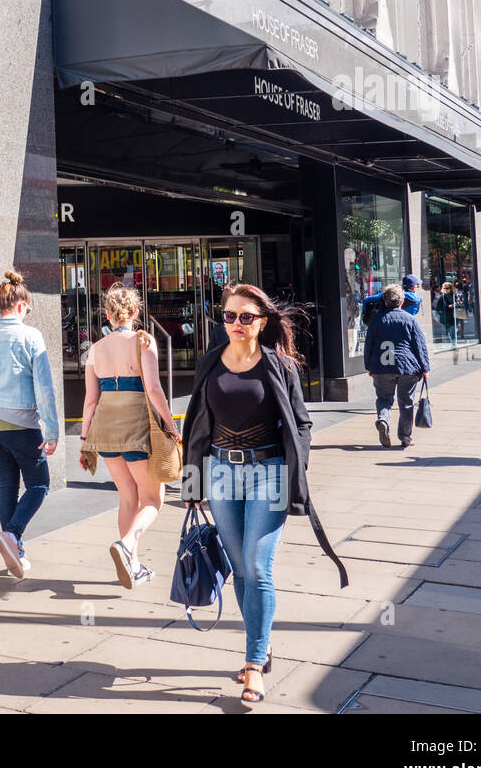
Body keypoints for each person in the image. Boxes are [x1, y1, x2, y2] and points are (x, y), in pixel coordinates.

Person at [180, 283, 348, 706]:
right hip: (219, 474)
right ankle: (262, 639)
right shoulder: (209, 363)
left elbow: (303, 424)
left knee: (258, 566)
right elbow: (196, 427)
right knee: (239, 568)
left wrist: (297, 469)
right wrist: (191, 484)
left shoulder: (280, 366)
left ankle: (254, 663)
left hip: (268, 473)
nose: (237, 324)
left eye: (246, 316)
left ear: (263, 320)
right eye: (230, 316)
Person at [79, 283, 179, 589]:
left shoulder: (95, 349)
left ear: (108, 314)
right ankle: (126, 545)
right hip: (136, 427)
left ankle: (132, 564)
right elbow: (153, 389)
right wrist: (172, 427)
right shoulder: (144, 341)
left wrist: (84, 443)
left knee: (127, 497)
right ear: (135, 312)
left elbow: (90, 400)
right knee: (152, 498)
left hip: (105, 430)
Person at [0, 269, 59, 579]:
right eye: (28, 309)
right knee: (39, 484)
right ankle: (13, 535)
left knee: (7, 485)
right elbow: (45, 389)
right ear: (20, 306)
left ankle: (13, 552)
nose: (28, 313)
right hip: (21, 425)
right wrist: (53, 430)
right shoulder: (31, 337)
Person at [364, 284, 431, 449]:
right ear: (402, 302)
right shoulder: (410, 319)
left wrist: (369, 366)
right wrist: (425, 367)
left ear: (385, 302)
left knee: (384, 399)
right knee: (406, 402)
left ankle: (383, 419)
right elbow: (419, 345)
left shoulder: (377, 320)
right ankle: (405, 437)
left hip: (381, 366)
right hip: (407, 367)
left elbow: (369, 345)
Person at [435, 280, 459, 346]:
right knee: (448, 330)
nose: (445, 290)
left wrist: (455, 304)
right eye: (444, 288)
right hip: (445, 315)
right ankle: (451, 342)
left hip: (453, 315)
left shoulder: (453, 295)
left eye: (447, 288)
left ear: (451, 288)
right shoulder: (442, 296)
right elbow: (439, 307)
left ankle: (453, 342)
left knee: (453, 329)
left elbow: (458, 302)